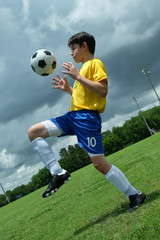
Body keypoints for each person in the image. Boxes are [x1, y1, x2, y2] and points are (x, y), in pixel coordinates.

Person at [28, 32, 146, 212]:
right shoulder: (81, 70)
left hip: (87, 119)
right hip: (73, 116)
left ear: (84, 46)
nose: (71, 53)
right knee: (33, 132)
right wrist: (68, 88)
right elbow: (83, 97)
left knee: (100, 164)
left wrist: (77, 77)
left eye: (73, 49)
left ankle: (134, 194)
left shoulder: (94, 64)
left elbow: (103, 90)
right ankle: (58, 173)